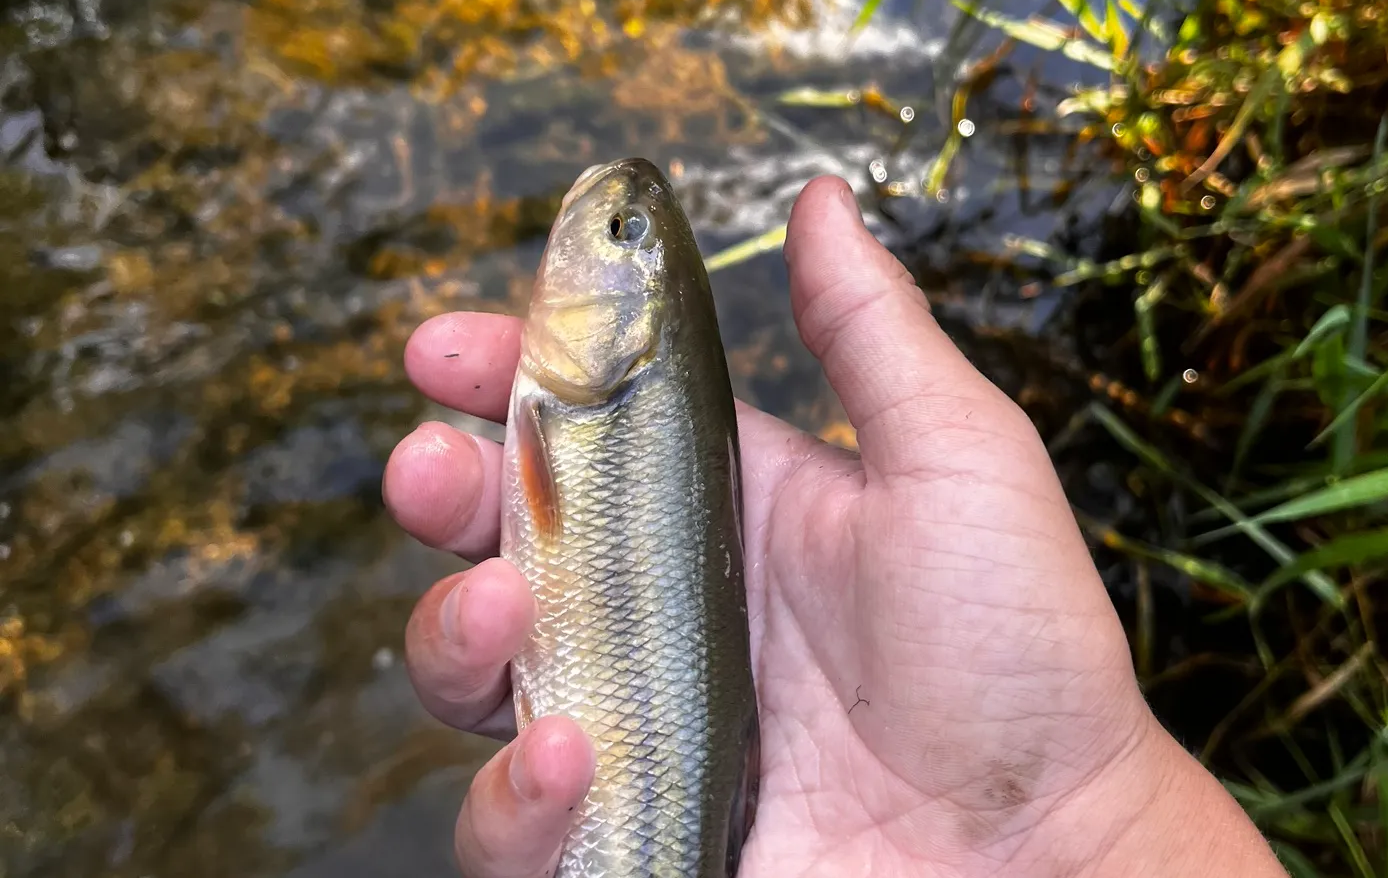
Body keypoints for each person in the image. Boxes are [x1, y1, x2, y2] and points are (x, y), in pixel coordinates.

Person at [384, 176, 1288, 878]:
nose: (615, 216)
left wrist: (1062, 809)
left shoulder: (570, 408)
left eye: (625, 234)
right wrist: (1082, 823)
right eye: (633, 228)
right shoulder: (589, 403)